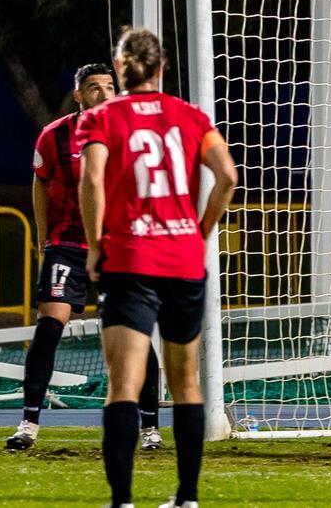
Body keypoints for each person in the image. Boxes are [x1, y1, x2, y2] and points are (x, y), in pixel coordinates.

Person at [77, 28, 237, 508]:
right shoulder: (190, 116)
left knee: (124, 383)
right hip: (183, 260)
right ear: (162, 68)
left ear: (122, 70)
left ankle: (122, 500)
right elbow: (227, 176)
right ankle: (186, 497)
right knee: (185, 381)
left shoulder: (104, 118)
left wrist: (93, 244)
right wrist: (200, 230)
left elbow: (92, 177)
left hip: (130, 258)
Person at [7, 63, 163, 452]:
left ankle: (151, 430)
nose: (104, 94)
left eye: (110, 87)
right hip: (69, 245)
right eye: (95, 88)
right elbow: (40, 183)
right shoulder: (54, 135)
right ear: (78, 95)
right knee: (48, 329)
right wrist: (45, 239)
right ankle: (28, 424)